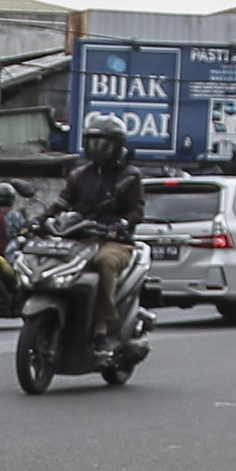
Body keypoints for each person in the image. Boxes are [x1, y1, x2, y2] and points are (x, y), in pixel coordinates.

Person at [60, 118, 148, 334]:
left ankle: (102, 323)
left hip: (115, 241)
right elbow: (61, 203)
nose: (98, 148)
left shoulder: (129, 176)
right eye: (94, 142)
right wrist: (38, 220)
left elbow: (137, 210)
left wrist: (122, 224)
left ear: (118, 146)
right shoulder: (79, 175)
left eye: (105, 143)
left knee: (105, 262)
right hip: (80, 237)